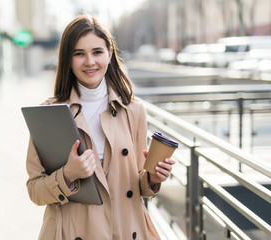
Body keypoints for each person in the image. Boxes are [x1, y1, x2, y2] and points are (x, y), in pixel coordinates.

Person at [26, 14, 175, 240]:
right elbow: (35, 191)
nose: (90, 62)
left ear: (110, 54)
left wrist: (153, 179)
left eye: (97, 52)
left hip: (125, 231)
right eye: (79, 54)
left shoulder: (133, 111)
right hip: (73, 231)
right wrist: (68, 175)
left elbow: (136, 184)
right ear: (67, 59)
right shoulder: (49, 114)